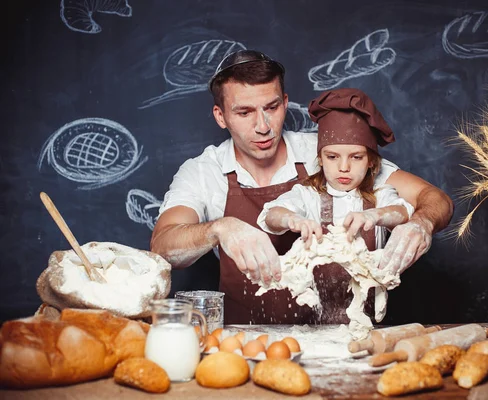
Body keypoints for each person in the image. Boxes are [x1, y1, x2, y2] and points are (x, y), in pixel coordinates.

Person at [150, 49, 453, 324]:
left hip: (338, 339)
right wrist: (219, 229)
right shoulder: (204, 171)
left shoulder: (329, 152)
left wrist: (421, 223)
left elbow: (433, 198)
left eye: (271, 107)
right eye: (245, 112)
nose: (263, 126)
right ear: (221, 116)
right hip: (245, 342)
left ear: (284, 103)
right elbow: (163, 246)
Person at [256, 88, 415, 323]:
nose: (343, 167)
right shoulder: (308, 195)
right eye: (332, 157)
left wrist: (375, 216)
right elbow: (270, 215)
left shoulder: (380, 196)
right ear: (320, 159)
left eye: (356, 157)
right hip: (312, 325)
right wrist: (292, 220)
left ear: (371, 161)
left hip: (366, 325)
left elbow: (402, 213)